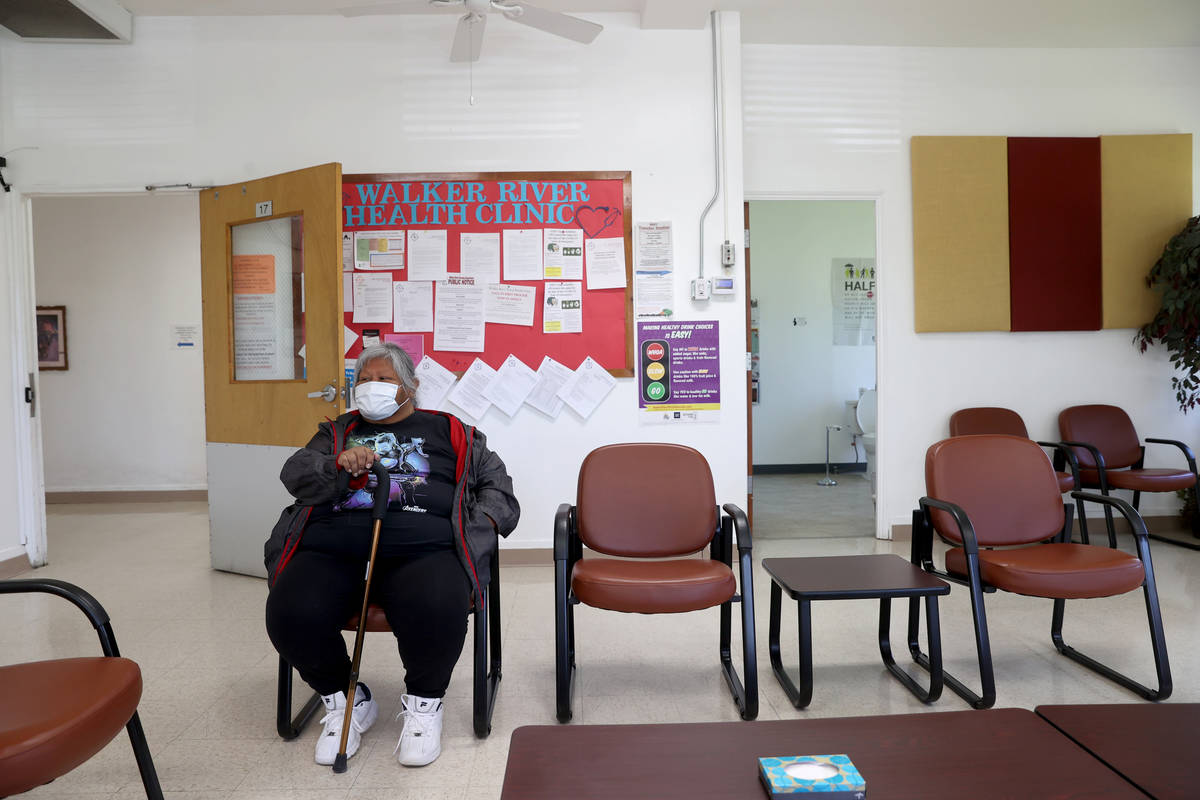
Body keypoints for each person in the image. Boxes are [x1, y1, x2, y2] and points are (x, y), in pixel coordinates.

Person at [264, 343, 519, 768]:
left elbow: (499, 490)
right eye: (364, 379)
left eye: (384, 379)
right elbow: (295, 473)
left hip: (423, 549)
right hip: (334, 548)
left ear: (411, 387)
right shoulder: (338, 432)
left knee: (437, 603)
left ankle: (424, 705)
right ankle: (345, 699)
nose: (371, 387)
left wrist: (475, 531)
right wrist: (336, 466)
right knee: (290, 610)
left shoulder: (452, 431)